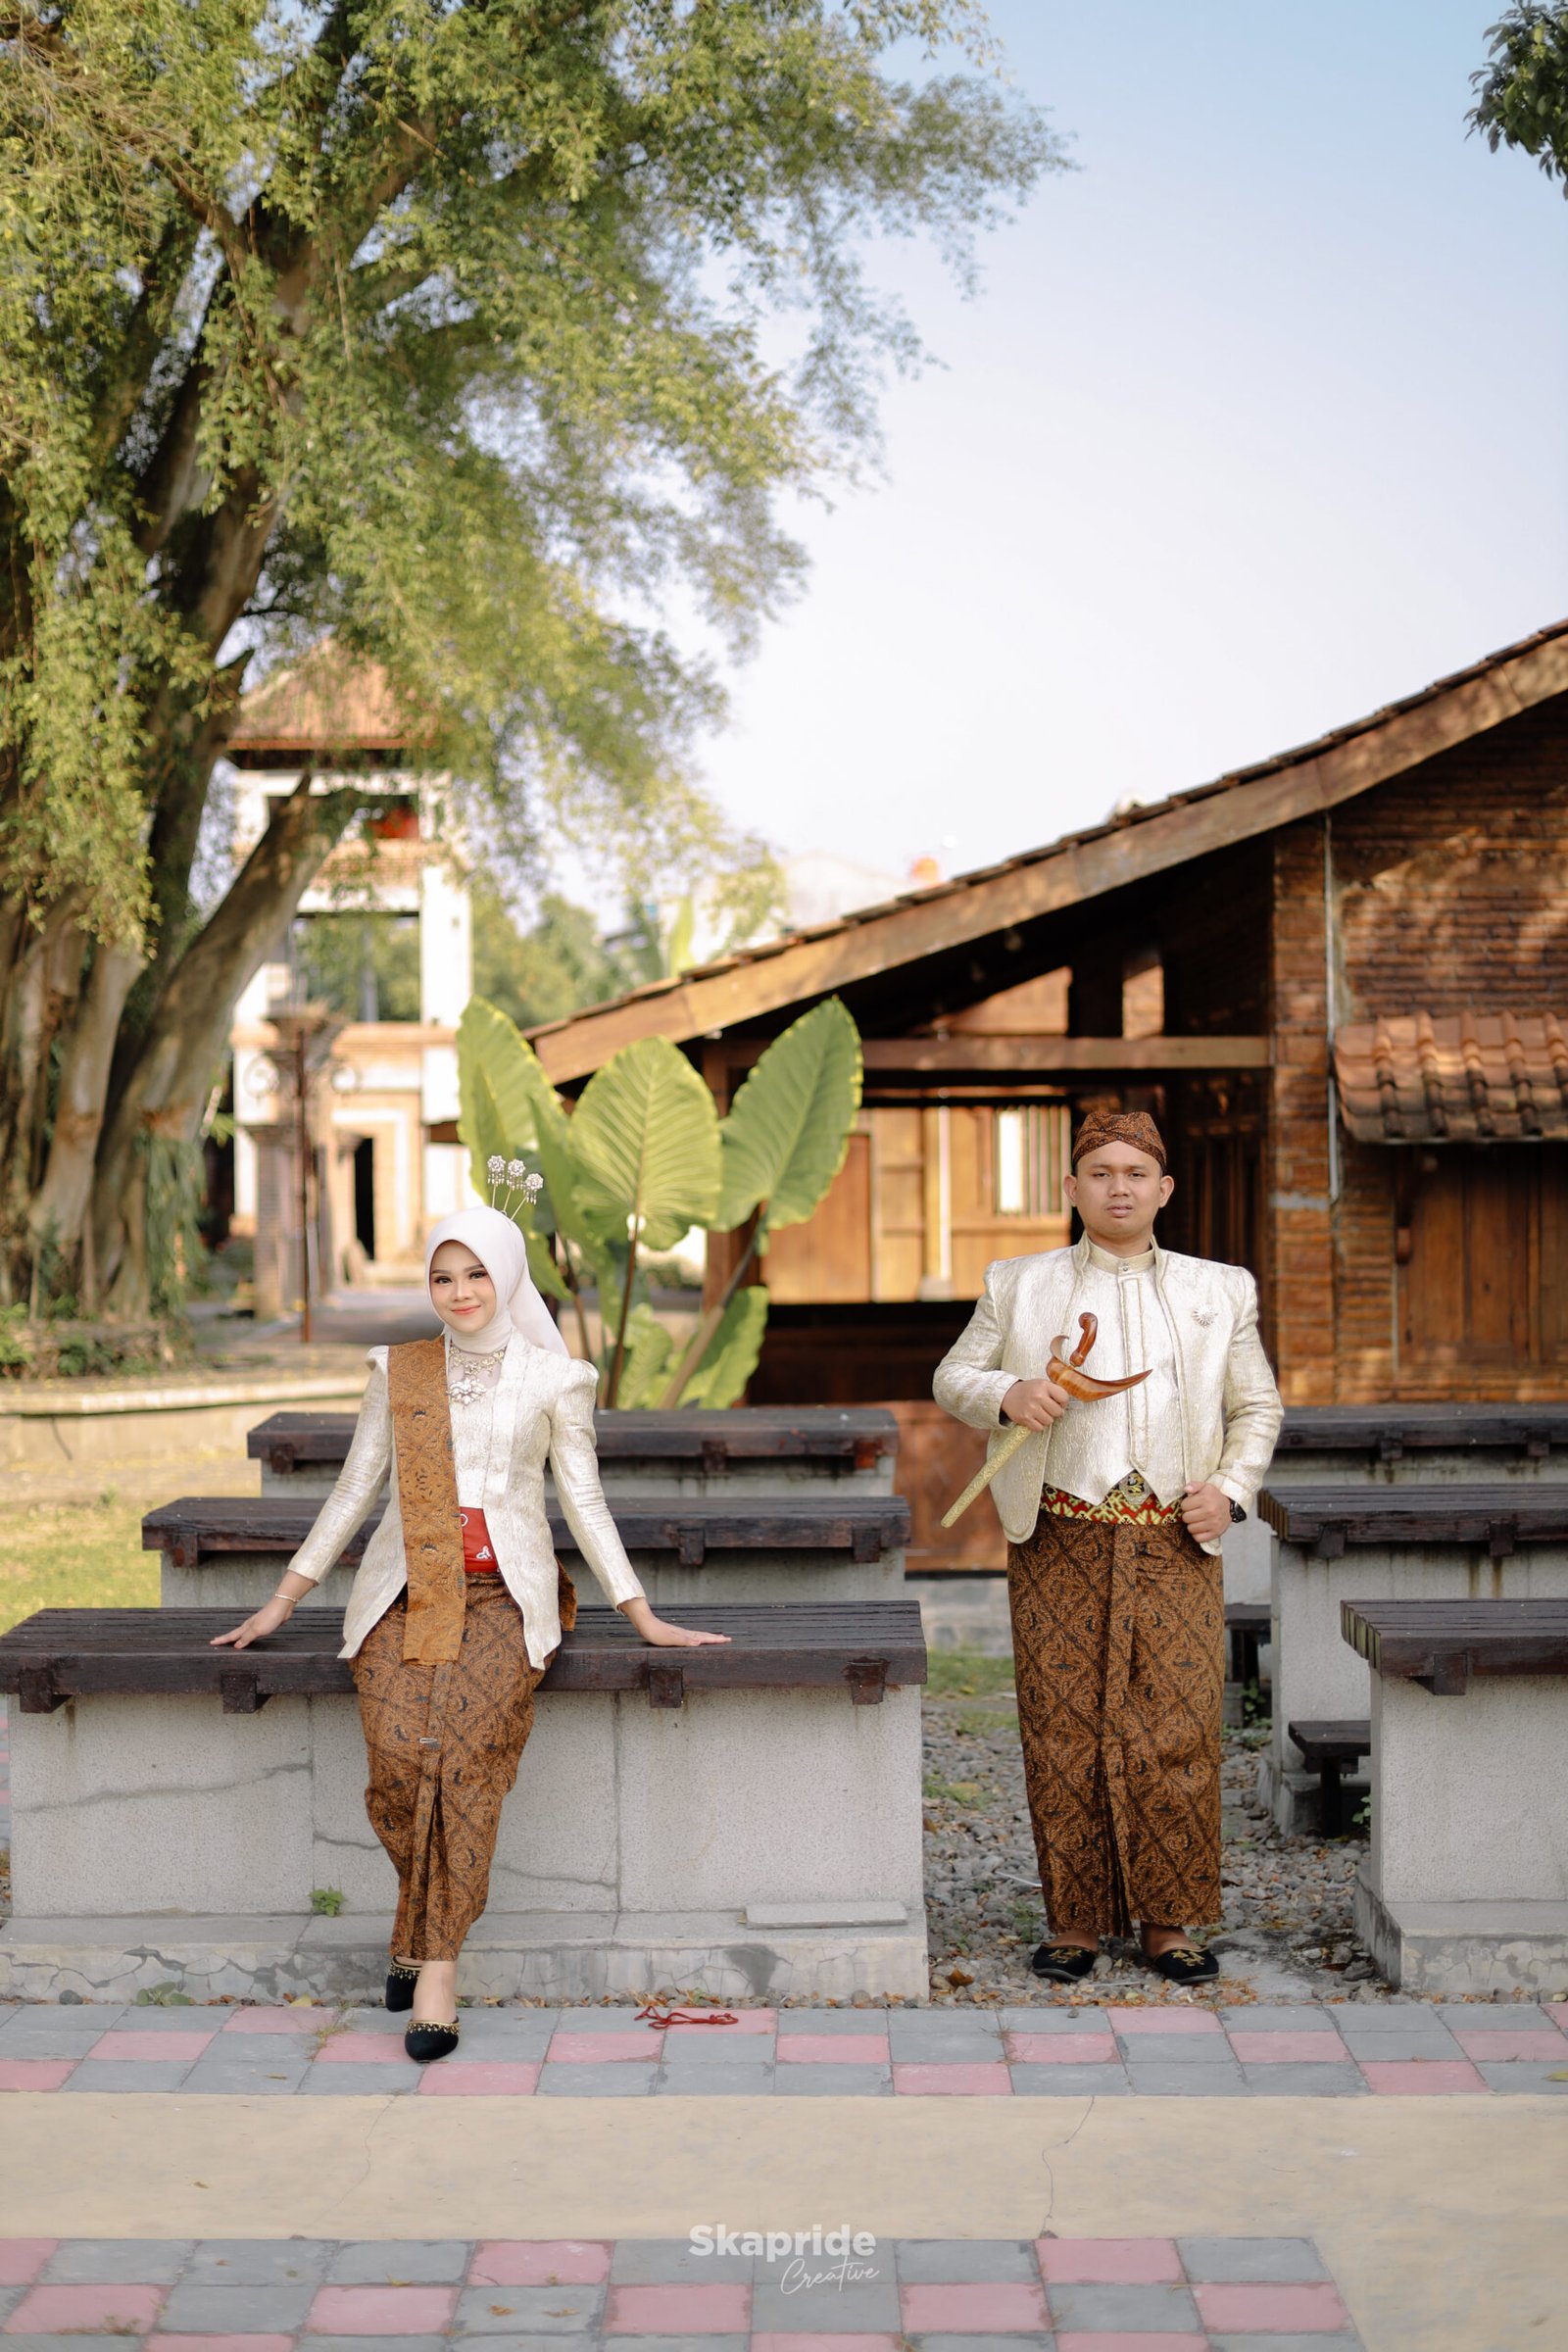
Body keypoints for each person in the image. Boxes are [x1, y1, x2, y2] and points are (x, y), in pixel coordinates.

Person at [214, 1202, 728, 2059]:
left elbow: (584, 1500)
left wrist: (640, 1612)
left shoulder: (556, 1379)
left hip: (504, 1598)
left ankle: (438, 1973)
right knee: (396, 1762)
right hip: (405, 1594)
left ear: (508, 1276)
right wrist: (283, 1600)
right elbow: (355, 1488)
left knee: (464, 1764)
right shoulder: (399, 1370)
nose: (460, 1292)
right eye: (443, 1277)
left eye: (478, 1273)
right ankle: (413, 1930)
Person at [933, 1109, 1282, 1986]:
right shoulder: (1018, 1283)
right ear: (1072, 1188)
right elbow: (952, 1376)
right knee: (1064, 1728)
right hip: (1059, 1535)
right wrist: (1009, 1393)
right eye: (1100, 1172)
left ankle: (1169, 1921)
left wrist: (1231, 1490)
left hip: (1175, 1539)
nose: (1118, 1188)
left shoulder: (1220, 1290)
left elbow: (1257, 1407)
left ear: (1164, 1189)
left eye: (1135, 1173)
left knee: (1178, 1726)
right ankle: (1076, 1921)